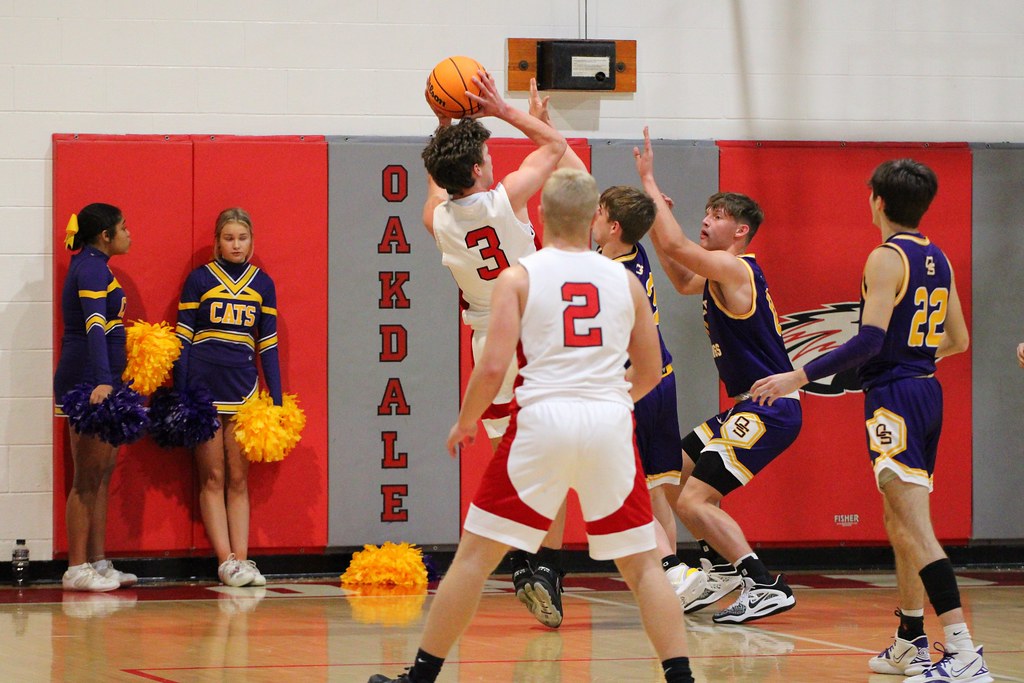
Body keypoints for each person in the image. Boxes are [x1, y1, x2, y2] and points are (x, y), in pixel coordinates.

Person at [368, 168, 695, 683]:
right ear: (594, 220)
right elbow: (651, 371)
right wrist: (610, 400)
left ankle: (421, 677)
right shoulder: (626, 280)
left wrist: (466, 421)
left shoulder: (517, 276)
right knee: (643, 567)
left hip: (542, 421)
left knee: (474, 558)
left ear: (541, 215)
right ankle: (682, 678)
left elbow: (493, 366)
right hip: (608, 423)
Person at [750, 159, 989, 682]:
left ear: (877, 201)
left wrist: (799, 375)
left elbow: (869, 339)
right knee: (898, 519)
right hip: (927, 393)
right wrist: (911, 363)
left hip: (896, 399)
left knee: (916, 527)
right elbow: (958, 341)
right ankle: (910, 639)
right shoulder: (938, 257)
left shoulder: (886, 258)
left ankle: (964, 651)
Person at [633, 127, 801, 624]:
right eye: (707, 212)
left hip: (770, 409)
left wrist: (648, 188)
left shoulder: (740, 270)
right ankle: (718, 567)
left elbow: (681, 249)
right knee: (669, 475)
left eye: (719, 216)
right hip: (748, 405)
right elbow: (684, 276)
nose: (707, 220)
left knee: (694, 500)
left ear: (741, 232)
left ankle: (762, 581)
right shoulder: (718, 273)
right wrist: (654, 230)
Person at [422, 73, 568, 626]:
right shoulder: (505, 201)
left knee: (518, 462)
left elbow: (437, 190)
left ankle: (528, 563)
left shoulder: (438, 221)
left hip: (488, 343)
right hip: (534, 337)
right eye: (486, 154)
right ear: (482, 169)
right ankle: (538, 566)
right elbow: (553, 147)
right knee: (551, 461)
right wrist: (506, 111)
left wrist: (443, 129)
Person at [591, 185, 707, 605]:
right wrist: (655, 208)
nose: (593, 217)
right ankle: (677, 582)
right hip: (664, 377)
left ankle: (670, 569)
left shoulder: (604, 274)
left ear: (614, 225)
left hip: (634, 385)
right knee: (658, 486)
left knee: (636, 487)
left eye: (599, 213)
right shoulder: (633, 253)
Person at [173, 207, 282, 588]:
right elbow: (183, 339)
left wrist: (278, 400)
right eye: (229, 238)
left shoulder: (263, 284)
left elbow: (267, 345)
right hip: (203, 391)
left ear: (252, 241)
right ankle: (226, 561)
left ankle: (244, 559)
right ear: (218, 241)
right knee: (213, 476)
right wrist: (181, 392)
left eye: (242, 238)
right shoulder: (199, 279)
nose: (236, 244)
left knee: (238, 479)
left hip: (245, 390)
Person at [54, 203, 139, 592]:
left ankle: (99, 561)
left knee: (102, 475)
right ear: (105, 236)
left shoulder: (97, 266)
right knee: (86, 478)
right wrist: (102, 382)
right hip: (88, 381)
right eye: (123, 228)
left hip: (105, 380)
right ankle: (76, 567)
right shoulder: (89, 267)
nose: (128, 233)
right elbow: (94, 326)